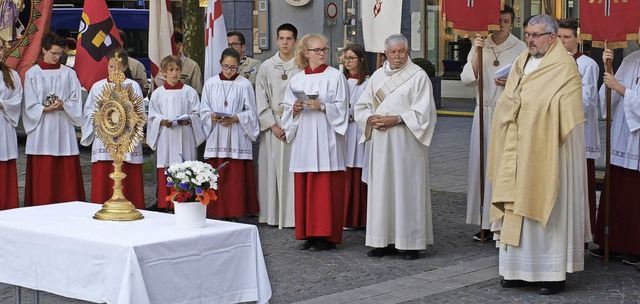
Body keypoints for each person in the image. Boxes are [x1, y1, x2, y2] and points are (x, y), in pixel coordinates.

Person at [487, 14, 588, 295]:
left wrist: (532, 110)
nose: (529, 39)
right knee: (514, 203)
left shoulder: (565, 66)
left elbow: (568, 109)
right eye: (528, 34)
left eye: (535, 35)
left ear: (552, 37)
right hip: (516, 145)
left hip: (547, 147)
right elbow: (511, 95)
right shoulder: (522, 61)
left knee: (545, 204)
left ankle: (550, 273)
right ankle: (515, 270)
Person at [355, 34, 437, 261]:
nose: (398, 56)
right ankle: (381, 240)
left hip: (406, 142)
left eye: (402, 51)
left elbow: (425, 112)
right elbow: (361, 106)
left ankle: (410, 243)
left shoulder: (418, 76)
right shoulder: (377, 76)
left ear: (408, 51)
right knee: (382, 189)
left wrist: (398, 119)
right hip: (381, 142)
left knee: (406, 189)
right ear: (385, 53)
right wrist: (370, 119)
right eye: (393, 52)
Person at [461, 5, 527, 242]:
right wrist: (477, 52)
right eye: (499, 20)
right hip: (483, 111)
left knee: (501, 166)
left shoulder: (521, 47)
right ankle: (483, 222)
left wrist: (510, 81)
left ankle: (501, 219)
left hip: (506, 112)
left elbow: (527, 80)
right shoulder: (480, 43)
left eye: (507, 21)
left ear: (512, 23)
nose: (502, 25)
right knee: (481, 165)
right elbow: (468, 79)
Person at [282, 33, 349, 251]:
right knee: (306, 185)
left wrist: (323, 106)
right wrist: (296, 109)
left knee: (325, 187)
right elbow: (287, 110)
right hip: (305, 138)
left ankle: (326, 236)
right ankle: (308, 233)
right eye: (317, 50)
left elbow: (343, 108)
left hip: (326, 136)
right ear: (306, 53)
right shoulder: (297, 79)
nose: (322, 54)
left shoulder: (336, 77)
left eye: (324, 49)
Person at [22, 32, 85, 206]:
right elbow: (29, 102)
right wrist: (43, 108)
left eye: (60, 54)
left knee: (65, 169)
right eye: (54, 53)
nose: (57, 57)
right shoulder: (32, 74)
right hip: (42, 127)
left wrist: (64, 104)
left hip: (63, 124)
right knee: (44, 170)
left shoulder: (68, 74)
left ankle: (69, 203)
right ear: (44, 50)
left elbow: (76, 99)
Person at [591, 47, 640, 266]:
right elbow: (607, 96)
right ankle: (612, 242)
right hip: (622, 135)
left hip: (637, 140)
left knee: (633, 196)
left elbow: (620, 89)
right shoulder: (631, 59)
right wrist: (607, 68)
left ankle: (634, 247)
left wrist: (619, 88)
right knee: (618, 192)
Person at [81, 49, 145, 209]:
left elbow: (139, 112)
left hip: (126, 140)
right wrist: (100, 119)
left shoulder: (133, 86)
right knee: (104, 176)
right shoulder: (98, 86)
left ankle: (132, 207)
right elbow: (89, 111)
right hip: (105, 139)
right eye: (111, 67)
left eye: (118, 67)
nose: (114, 70)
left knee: (128, 176)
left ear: (125, 67)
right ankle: (100, 206)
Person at [200, 48, 259, 219]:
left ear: (239, 66)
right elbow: (203, 110)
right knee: (217, 174)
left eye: (233, 68)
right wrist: (212, 115)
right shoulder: (211, 83)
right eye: (226, 66)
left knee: (235, 177)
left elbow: (251, 113)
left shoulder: (244, 84)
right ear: (220, 64)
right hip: (217, 134)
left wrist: (235, 118)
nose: (229, 71)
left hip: (237, 136)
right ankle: (215, 210)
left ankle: (235, 211)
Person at [147, 55, 206, 211]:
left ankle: (185, 201)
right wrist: (161, 121)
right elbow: (152, 115)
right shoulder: (158, 93)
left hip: (184, 135)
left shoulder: (189, 92)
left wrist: (189, 120)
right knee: (166, 166)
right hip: (166, 137)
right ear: (163, 72)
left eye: (177, 69)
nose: (175, 73)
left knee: (185, 166)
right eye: (171, 70)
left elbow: (197, 113)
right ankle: (165, 203)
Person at [255, 23, 300, 228]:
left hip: (295, 123)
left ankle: (292, 216)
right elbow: (260, 99)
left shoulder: (301, 66)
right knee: (271, 168)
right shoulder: (266, 66)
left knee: (292, 170)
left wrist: (292, 123)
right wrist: (272, 125)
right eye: (281, 38)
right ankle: (272, 214)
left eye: (289, 38)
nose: (284, 42)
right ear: (276, 40)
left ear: (295, 41)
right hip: (273, 123)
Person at [558, 18, 600, 235]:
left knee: (581, 186)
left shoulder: (587, 64)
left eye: (566, 37)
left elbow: (586, 102)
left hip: (579, 133)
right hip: (557, 133)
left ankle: (582, 232)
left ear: (578, 39)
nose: (561, 41)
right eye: (558, 36)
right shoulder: (551, 62)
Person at [342, 43, 370, 230]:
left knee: (359, 171)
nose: (347, 62)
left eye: (351, 58)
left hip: (359, 132)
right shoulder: (340, 81)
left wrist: (355, 116)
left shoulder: (369, 82)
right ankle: (345, 217)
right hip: (344, 132)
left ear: (360, 60)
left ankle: (361, 217)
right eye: (345, 58)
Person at [0, 37, 22, 210]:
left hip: (4, 124)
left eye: (1, 48)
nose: (0, 52)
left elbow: (17, 99)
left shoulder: (11, 74)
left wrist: (3, 104)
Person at [118, 29, 149, 97]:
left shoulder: (136, 65)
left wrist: (132, 84)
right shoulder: (101, 65)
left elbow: (145, 91)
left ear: (121, 42)